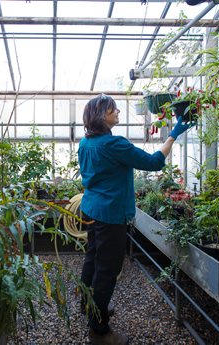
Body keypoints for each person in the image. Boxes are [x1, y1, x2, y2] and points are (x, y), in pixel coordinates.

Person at [78, 94, 195, 345]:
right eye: (113, 109)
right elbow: (154, 162)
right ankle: (98, 330)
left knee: (92, 259)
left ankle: (88, 307)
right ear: (101, 116)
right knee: (108, 270)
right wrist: (173, 133)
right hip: (109, 215)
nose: (117, 111)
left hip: (90, 209)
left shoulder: (85, 144)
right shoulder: (114, 145)